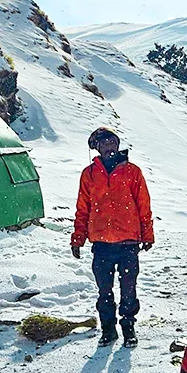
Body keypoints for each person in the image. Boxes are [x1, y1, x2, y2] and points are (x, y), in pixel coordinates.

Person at [71, 126, 153, 347]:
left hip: (128, 243)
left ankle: (128, 328)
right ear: (96, 148)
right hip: (101, 244)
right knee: (104, 290)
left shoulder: (132, 172)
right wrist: (78, 238)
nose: (109, 147)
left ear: (118, 145)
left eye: (113, 142)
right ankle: (108, 330)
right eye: (104, 143)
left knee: (129, 289)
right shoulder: (88, 175)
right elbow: (83, 208)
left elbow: (143, 204)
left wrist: (148, 234)